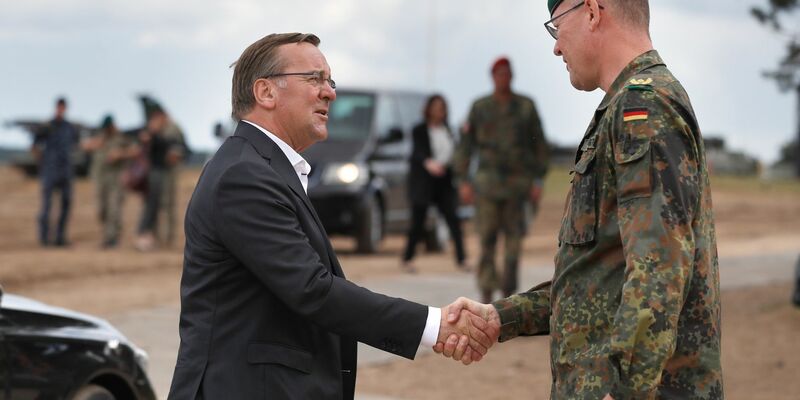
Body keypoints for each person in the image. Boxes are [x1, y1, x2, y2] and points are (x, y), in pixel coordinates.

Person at [167, 33, 497, 400]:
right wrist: (434, 325)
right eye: (314, 79)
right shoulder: (243, 175)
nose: (330, 93)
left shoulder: (261, 167)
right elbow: (312, 289)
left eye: (330, 81)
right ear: (266, 92)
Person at [439, 1, 724, 399]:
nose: (556, 46)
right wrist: (502, 317)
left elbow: (658, 267)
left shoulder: (643, 108)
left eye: (557, 26)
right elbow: (598, 276)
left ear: (591, 11)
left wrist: (626, 390)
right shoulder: (626, 105)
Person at [453, 56, 550, 302]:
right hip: (487, 186)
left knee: (513, 244)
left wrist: (538, 180)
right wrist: (463, 180)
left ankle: (507, 295)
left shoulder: (525, 107)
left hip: (518, 186)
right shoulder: (480, 107)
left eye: (506, 74)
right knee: (486, 241)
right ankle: (486, 292)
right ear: (492, 77)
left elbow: (540, 145)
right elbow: (465, 147)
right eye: (498, 74)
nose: (503, 79)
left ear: (512, 76)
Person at [401, 94, 469, 273]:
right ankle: (407, 258)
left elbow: (457, 152)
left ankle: (462, 259)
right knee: (418, 222)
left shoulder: (449, 130)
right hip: (424, 182)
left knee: (453, 219)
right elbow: (417, 152)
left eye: (442, 108)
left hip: (444, 181)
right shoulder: (419, 130)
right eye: (436, 107)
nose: (439, 111)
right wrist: (428, 163)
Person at [134, 104, 185, 251]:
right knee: (153, 204)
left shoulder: (171, 129)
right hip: (156, 172)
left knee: (165, 204)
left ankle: (165, 238)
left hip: (166, 172)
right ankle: (153, 236)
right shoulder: (155, 131)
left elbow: (177, 149)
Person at [82, 115, 136, 248]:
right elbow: (84, 146)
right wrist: (94, 144)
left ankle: (112, 238)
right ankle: (108, 234)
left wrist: (120, 154)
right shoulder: (99, 137)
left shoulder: (122, 138)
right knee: (102, 209)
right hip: (101, 179)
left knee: (114, 208)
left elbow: (135, 151)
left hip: (116, 179)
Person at [32, 97, 79, 247]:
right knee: (46, 206)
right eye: (59, 107)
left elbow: (76, 145)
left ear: (65, 109)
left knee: (66, 204)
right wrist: (42, 162)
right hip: (50, 170)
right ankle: (45, 238)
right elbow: (34, 146)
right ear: (56, 107)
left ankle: (60, 237)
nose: (60, 110)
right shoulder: (47, 126)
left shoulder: (69, 128)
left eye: (63, 107)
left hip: (65, 170)